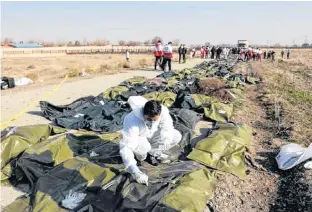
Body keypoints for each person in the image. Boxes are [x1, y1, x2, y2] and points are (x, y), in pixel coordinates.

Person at [119, 96, 182, 185]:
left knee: (176, 136)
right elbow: (126, 147)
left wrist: (166, 139)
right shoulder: (131, 120)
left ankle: (154, 153)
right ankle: (143, 156)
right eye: (149, 119)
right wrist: (135, 171)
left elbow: (167, 126)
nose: (152, 121)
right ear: (145, 114)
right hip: (140, 137)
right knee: (144, 149)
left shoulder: (162, 111)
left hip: (151, 133)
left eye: (154, 120)